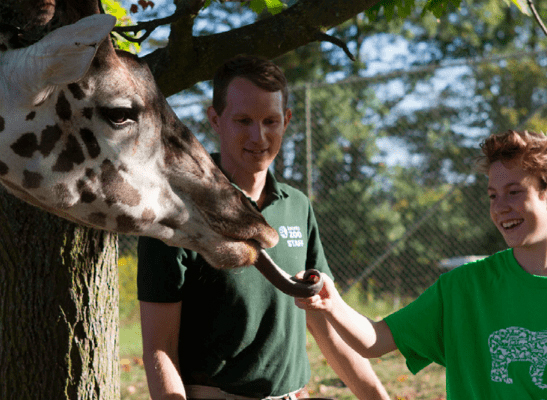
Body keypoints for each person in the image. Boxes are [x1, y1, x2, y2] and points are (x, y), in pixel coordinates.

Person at [137, 55, 390, 400]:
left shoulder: (297, 206)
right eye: (243, 120)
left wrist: (378, 397)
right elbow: (159, 348)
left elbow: (323, 324)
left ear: (286, 121)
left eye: (270, 121)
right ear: (215, 119)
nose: (258, 136)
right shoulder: (178, 211)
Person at [296, 129, 547, 399]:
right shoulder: (464, 287)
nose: (499, 207)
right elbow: (374, 341)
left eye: (514, 192)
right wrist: (333, 303)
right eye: (493, 195)